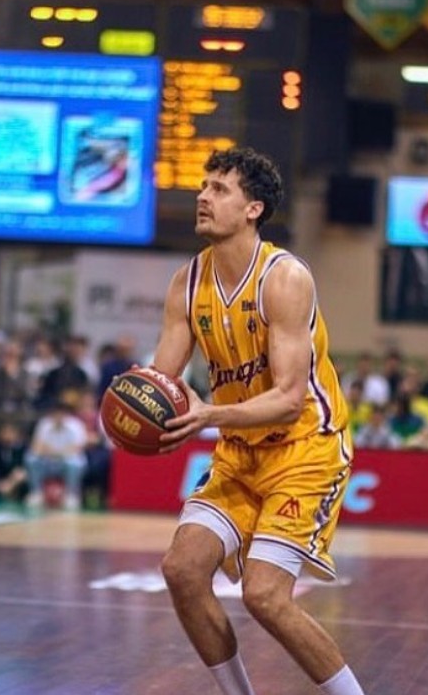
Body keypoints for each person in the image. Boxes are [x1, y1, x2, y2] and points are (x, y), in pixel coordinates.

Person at [151, 148, 364, 695]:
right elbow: (162, 380)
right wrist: (145, 407)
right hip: (240, 453)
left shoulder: (284, 277)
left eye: (219, 189)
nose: (203, 196)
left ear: (253, 209)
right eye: (204, 186)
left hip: (305, 448)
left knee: (265, 595)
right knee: (182, 570)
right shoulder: (186, 283)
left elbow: (289, 399)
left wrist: (207, 414)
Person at [25, 401, 88, 509]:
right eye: (56, 413)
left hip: (66, 462)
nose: (59, 416)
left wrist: (54, 452)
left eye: (61, 413)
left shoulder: (76, 425)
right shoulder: (44, 424)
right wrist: (56, 452)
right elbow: (36, 447)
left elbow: (77, 449)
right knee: (31, 458)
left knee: (75, 463)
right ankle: (36, 493)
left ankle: (71, 495)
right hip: (48, 462)